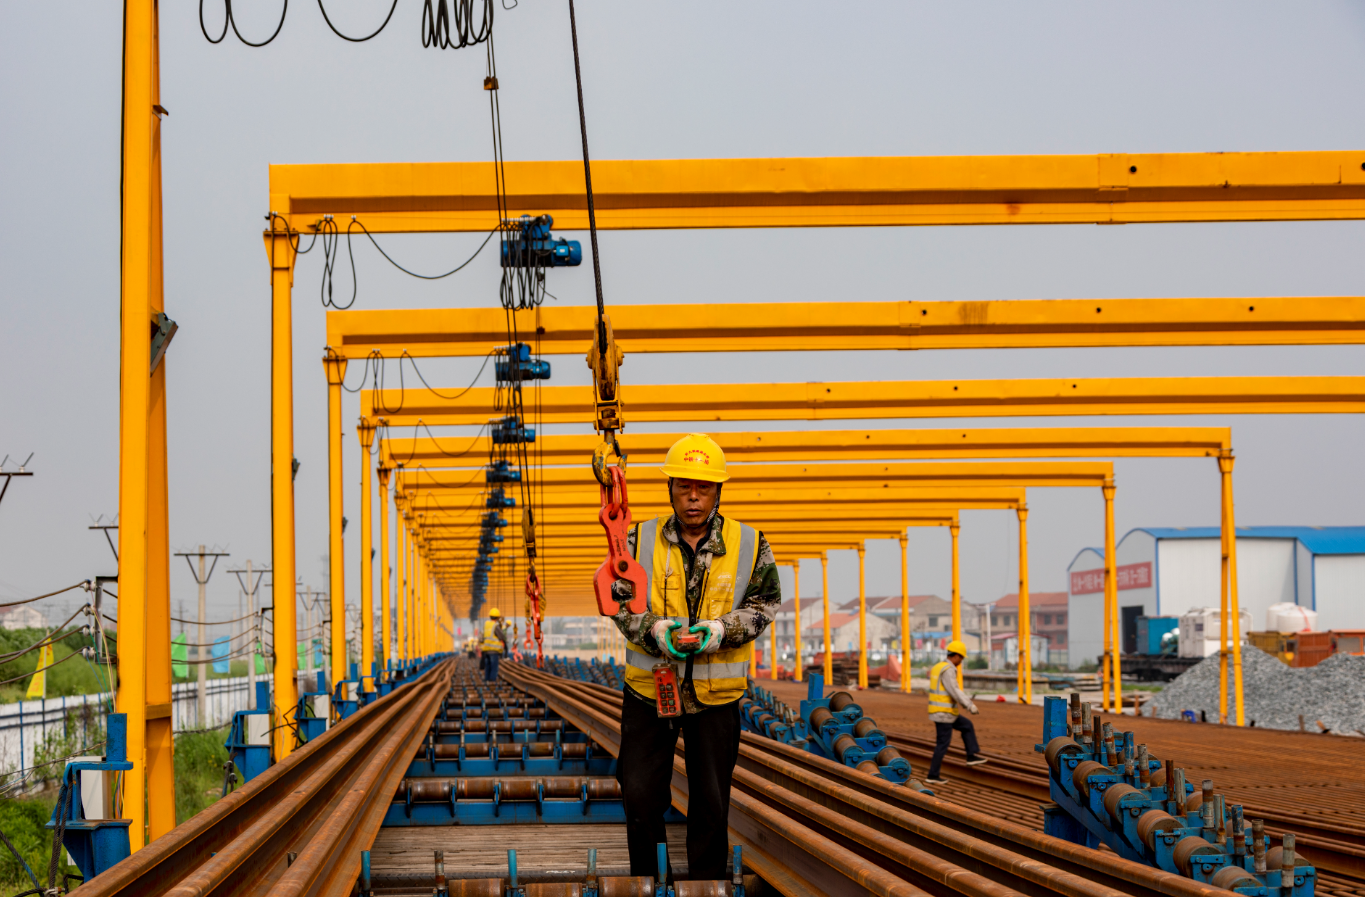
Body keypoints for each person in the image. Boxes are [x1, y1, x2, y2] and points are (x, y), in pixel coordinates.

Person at [609, 433, 781, 882]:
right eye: (685, 486)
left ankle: (706, 886)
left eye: (703, 488)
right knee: (641, 794)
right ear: (671, 489)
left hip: (716, 695)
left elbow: (765, 605)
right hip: (650, 690)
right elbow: (619, 601)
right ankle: (650, 881)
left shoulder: (750, 542)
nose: (693, 497)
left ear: (718, 491)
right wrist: (656, 631)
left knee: (710, 799)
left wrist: (721, 631)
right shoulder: (637, 538)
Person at [924, 639, 988, 785]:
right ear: (957, 656)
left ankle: (971, 756)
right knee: (942, 744)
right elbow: (954, 690)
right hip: (943, 713)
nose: (961, 661)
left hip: (943, 712)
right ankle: (933, 775)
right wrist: (969, 705)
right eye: (962, 658)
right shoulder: (948, 669)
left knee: (967, 726)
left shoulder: (938, 666)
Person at [480, 608, 508, 682]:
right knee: (494, 667)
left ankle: (487, 680)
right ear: (498, 617)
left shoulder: (486, 625)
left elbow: (481, 637)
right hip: (494, 650)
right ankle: (492, 681)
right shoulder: (495, 625)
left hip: (486, 650)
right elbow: (502, 636)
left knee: (488, 666)